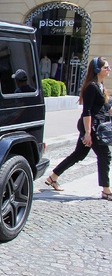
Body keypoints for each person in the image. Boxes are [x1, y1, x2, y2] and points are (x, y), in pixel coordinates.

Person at [45, 56, 112, 200]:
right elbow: (86, 111)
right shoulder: (91, 87)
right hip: (92, 127)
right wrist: (87, 133)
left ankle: (53, 177)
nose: (108, 69)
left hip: (96, 126)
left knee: (79, 154)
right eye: (105, 67)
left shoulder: (100, 86)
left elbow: (105, 108)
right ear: (96, 69)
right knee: (105, 154)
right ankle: (106, 190)